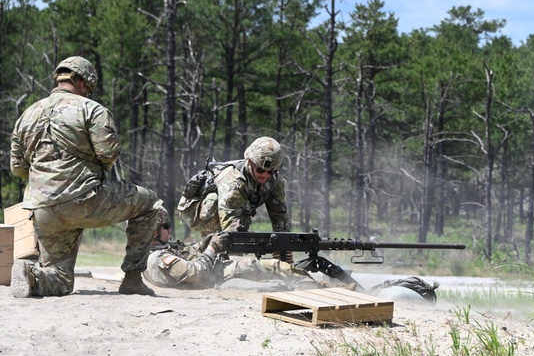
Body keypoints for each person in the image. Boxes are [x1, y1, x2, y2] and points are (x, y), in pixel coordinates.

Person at [9, 56, 161, 298]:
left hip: (43, 209)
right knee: (150, 202)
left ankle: (32, 276)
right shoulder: (92, 110)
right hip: (85, 200)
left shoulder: (27, 114)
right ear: (83, 82)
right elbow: (109, 153)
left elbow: (17, 167)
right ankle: (133, 278)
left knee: (60, 278)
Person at [144, 208, 318, 290]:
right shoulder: (158, 259)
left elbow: (186, 256)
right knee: (274, 267)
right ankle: (316, 288)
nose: (170, 230)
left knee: (270, 269)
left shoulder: (156, 253)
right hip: (217, 276)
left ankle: (313, 284)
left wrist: (203, 245)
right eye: (166, 226)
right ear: (153, 233)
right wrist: (212, 248)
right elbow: (193, 273)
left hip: (218, 272)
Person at [177, 136, 290, 236]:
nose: (265, 175)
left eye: (271, 171)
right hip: (195, 212)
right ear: (250, 162)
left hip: (224, 210)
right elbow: (230, 222)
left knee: (242, 216)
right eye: (260, 170)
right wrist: (237, 253)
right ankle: (215, 246)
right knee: (241, 213)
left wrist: (283, 252)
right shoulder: (233, 180)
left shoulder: (274, 181)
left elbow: (280, 216)